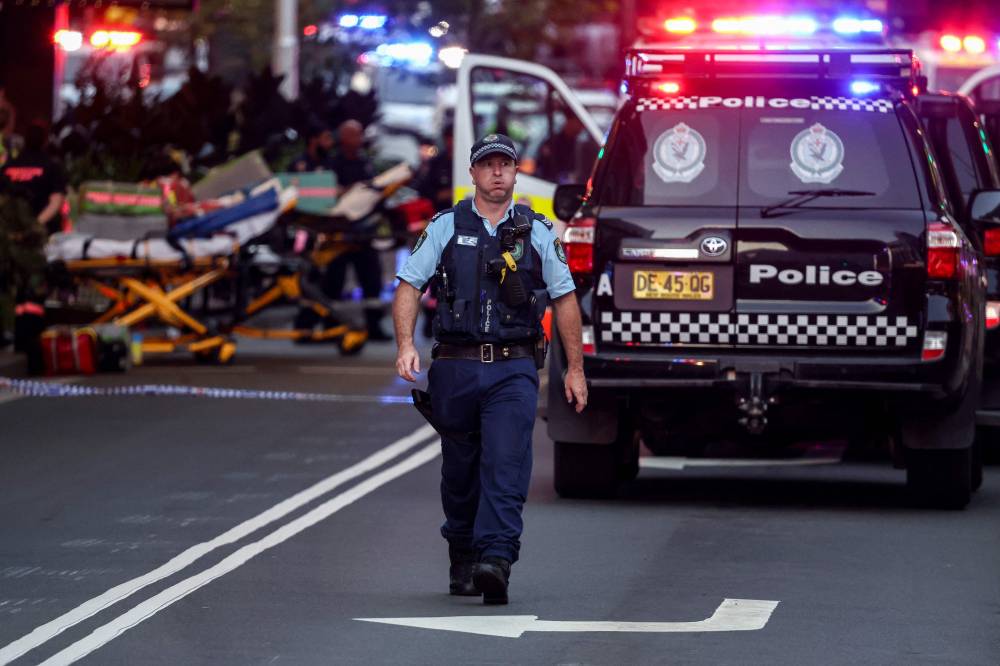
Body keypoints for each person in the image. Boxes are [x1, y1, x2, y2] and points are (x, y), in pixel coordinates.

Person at [392, 133, 588, 604]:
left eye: (506, 164)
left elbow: (564, 299)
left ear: (517, 172)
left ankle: (496, 559)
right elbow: (408, 285)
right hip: (455, 369)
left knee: (506, 463)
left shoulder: (538, 231)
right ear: (474, 173)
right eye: (488, 164)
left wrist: (574, 368)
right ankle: (462, 551)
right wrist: (404, 345)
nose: (497, 172)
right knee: (460, 472)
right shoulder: (444, 227)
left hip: (513, 368)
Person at [321, 119, 390, 340]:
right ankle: (330, 326)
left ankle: (374, 327)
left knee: (372, 281)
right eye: (354, 135)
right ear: (343, 138)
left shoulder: (365, 163)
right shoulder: (332, 164)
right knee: (333, 281)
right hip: (339, 232)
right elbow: (327, 193)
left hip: (363, 233)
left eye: (360, 134)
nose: (359, 139)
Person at [0, 120, 66, 236]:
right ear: (45, 141)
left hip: (11, 233)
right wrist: (34, 226)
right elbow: (56, 202)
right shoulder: (52, 166)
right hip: (42, 235)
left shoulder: (8, 166)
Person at [416, 122, 455, 213]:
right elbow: (423, 189)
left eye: (453, 137)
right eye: (448, 138)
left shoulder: (470, 161)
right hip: (441, 211)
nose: (451, 141)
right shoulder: (437, 162)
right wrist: (441, 195)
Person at [536, 114, 585, 184]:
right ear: (569, 123)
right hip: (546, 180)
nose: (581, 129)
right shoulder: (553, 140)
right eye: (579, 125)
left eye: (582, 126)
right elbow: (541, 160)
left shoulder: (577, 144)